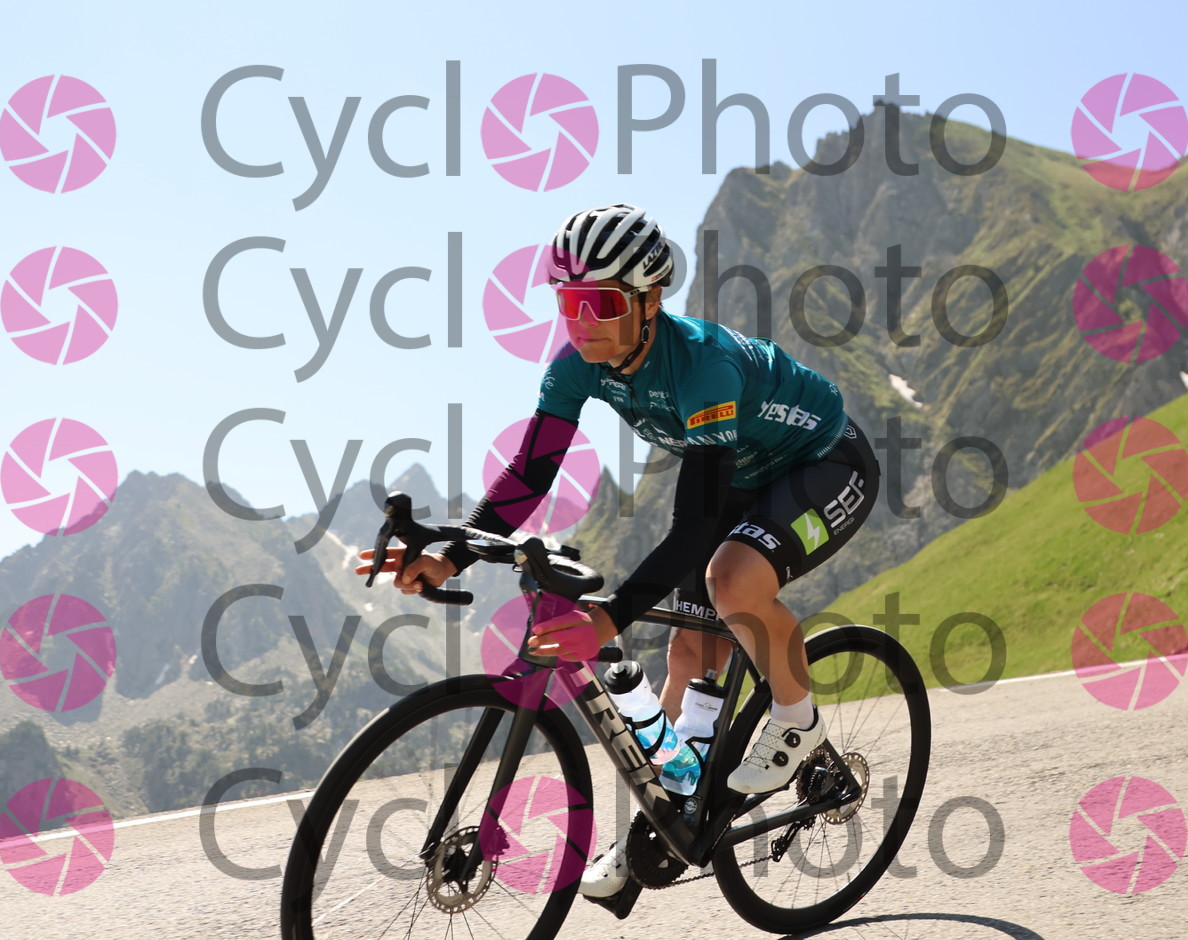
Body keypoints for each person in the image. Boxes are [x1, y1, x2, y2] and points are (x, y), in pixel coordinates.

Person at [366, 203, 880, 902]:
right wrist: (451, 553)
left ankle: (797, 719)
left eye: (603, 303)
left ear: (650, 299)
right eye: (567, 301)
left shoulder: (704, 370)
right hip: (743, 472)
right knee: (688, 654)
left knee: (731, 582)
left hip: (824, 461)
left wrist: (608, 618)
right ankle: (666, 818)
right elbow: (530, 475)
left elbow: (695, 525)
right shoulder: (578, 366)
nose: (582, 322)